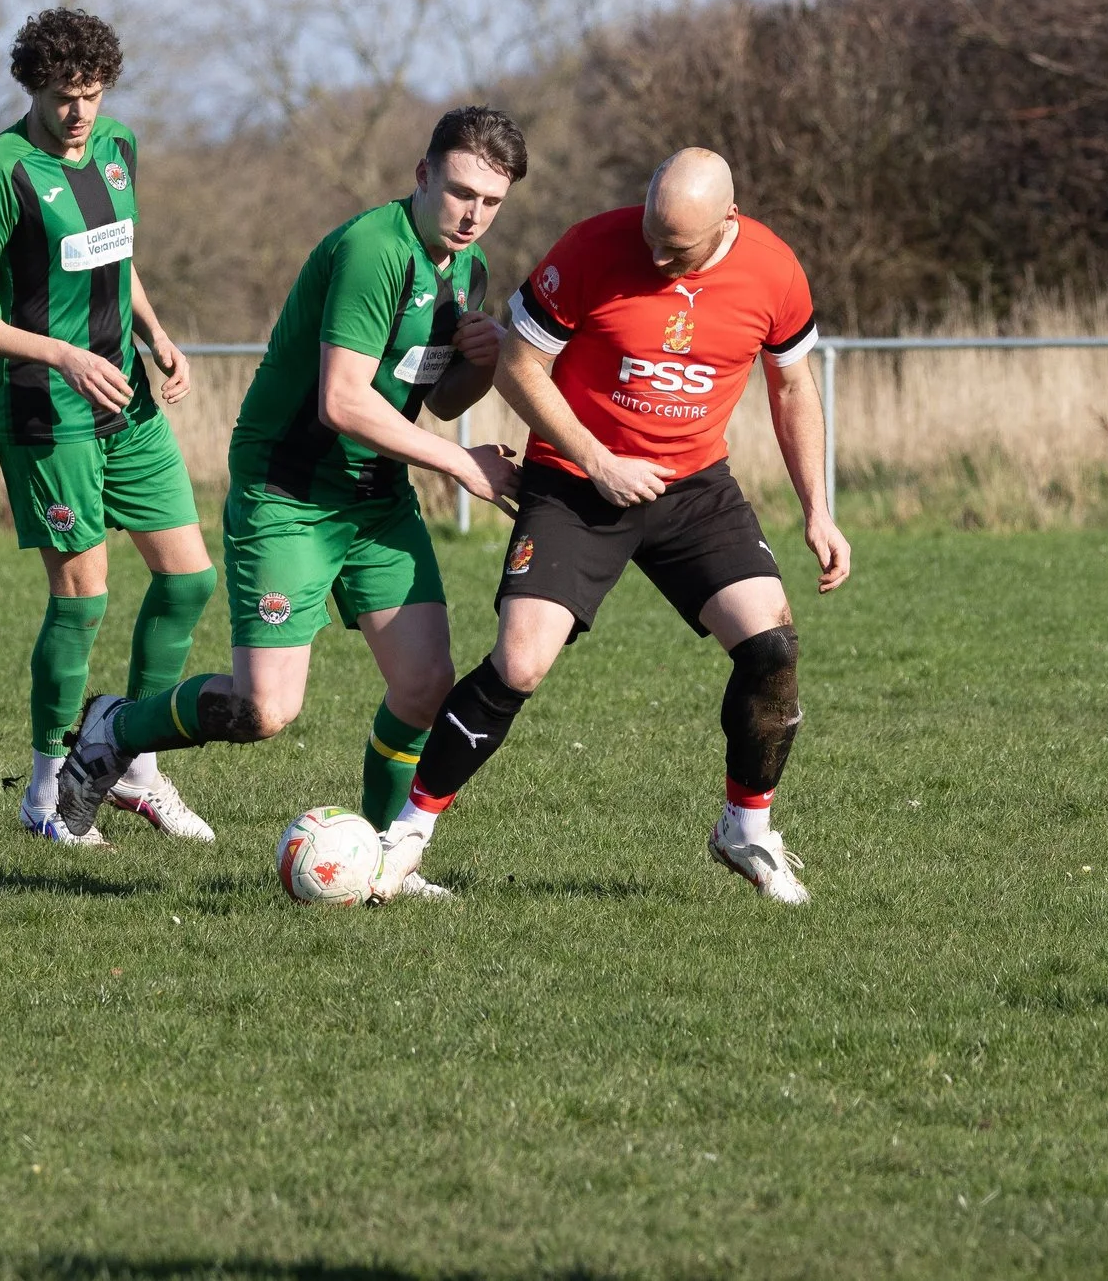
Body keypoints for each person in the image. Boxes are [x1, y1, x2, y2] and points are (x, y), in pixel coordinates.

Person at [54, 106, 527, 894]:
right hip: (291, 491)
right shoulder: (375, 251)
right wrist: (461, 466)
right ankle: (113, 729)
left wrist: (477, 365)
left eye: (491, 201)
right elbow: (343, 401)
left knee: (423, 684)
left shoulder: (464, 272)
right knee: (264, 710)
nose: (473, 213)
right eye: (460, 191)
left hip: (373, 494)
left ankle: (381, 858)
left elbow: (434, 400)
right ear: (423, 175)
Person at [373, 148, 852, 905]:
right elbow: (518, 366)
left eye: (678, 246)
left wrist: (818, 509)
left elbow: (792, 385)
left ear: (728, 220)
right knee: (521, 662)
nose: (657, 254)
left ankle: (747, 829)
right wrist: (597, 461)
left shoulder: (774, 270)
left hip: (693, 486)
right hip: (576, 485)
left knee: (770, 645)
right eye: (653, 233)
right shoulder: (592, 248)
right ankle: (406, 836)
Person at [0, 7, 216, 847]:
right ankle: (47, 791)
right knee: (82, 599)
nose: (79, 113)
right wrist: (60, 355)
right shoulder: (0, 171)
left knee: (189, 580)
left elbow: (114, 258)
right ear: (33, 89)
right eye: (63, 97)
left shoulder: (121, 149)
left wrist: (155, 332)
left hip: (125, 398)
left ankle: (134, 764)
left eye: (92, 94)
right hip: (45, 409)